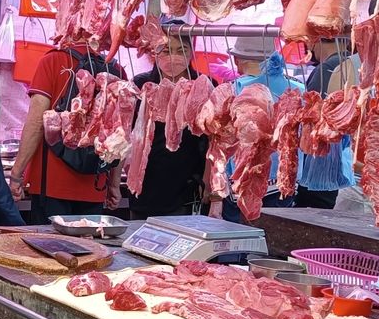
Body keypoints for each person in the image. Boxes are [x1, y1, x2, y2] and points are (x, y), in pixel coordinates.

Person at [9, 43, 123, 222]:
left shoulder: (53, 60)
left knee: (50, 247)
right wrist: (114, 184)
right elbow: (120, 134)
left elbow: (37, 122)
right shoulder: (116, 69)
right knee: (88, 248)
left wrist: (17, 174)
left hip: (52, 185)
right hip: (95, 184)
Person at [128, 28, 210, 220]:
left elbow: (213, 142)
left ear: (191, 53)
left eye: (181, 50)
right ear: (155, 52)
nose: (173, 56)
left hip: (185, 187)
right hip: (143, 184)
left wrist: (208, 184)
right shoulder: (143, 84)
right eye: (166, 50)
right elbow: (126, 134)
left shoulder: (203, 84)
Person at [222, 35, 302, 223]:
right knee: (272, 238)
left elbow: (221, 138)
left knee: (239, 239)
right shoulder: (297, 88)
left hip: (241, 181)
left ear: (237, 60)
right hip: (282, 180)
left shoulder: (233, 89)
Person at [295, 38, 357, 210]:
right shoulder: (353, 62)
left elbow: (315, 125)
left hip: (326, 169)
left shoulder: (329, 69)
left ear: (314, 42)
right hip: (348, 168)